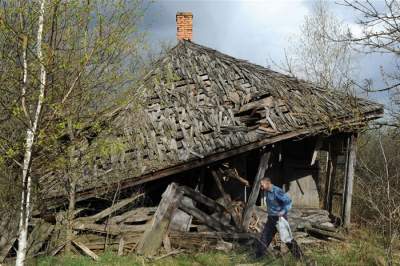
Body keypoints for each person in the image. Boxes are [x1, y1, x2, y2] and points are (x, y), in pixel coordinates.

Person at [256, 177, 303, 259]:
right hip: (271, 219)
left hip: (279, 219)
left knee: (287, 239)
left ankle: (300, 257)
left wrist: (283, 211)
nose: (261, 187)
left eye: (261, 185)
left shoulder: (277, 191)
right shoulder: (266, 191)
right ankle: (258, 257)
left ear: (267, 183)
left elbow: (289, 202)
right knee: (264, 237)